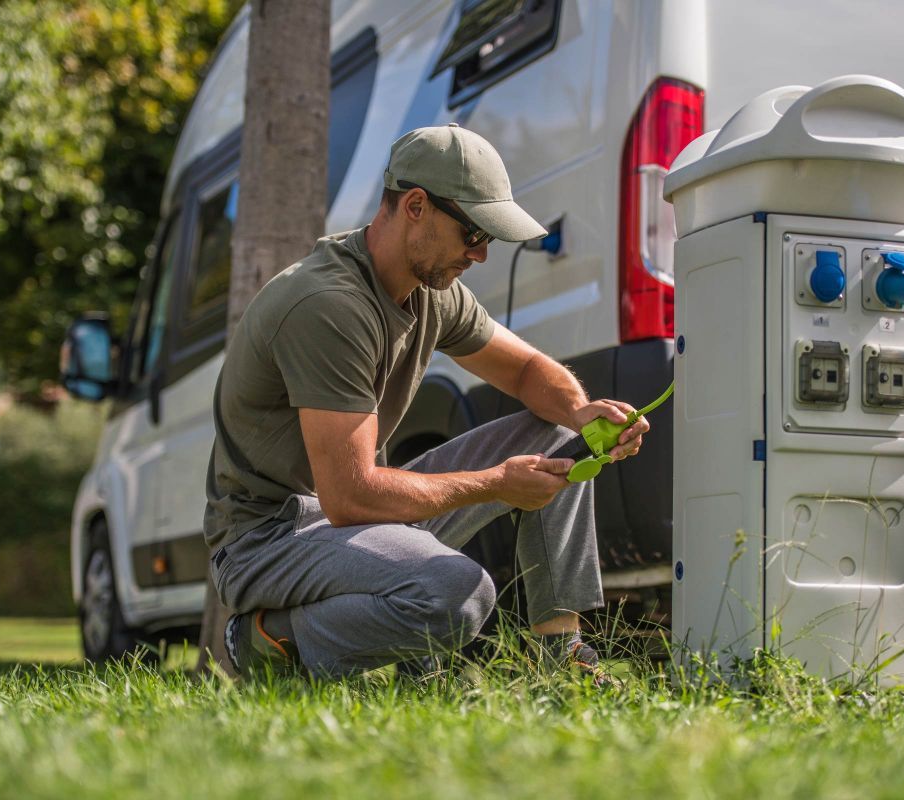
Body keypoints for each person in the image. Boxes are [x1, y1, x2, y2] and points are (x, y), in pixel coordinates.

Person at [203, 124, 649, 681]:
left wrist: (581, 411)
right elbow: (350, 496)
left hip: (347, 522)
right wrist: (497, 484)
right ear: (416, 205)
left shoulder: (431, 291)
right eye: (473, 232)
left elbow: (528, 369)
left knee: (558, 433)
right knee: (459, 592)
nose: (482, 254)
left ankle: (561, 664)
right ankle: (267, 641)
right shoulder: (329, 306)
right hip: (268, 539)